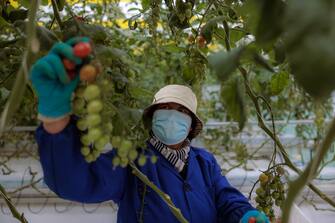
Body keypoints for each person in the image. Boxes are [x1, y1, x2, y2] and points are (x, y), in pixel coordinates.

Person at [30, 38, 269, 223]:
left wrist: (245, 214)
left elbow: (226, 198)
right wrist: (55, 119)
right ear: (152, 117)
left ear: (191, 125)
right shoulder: (132, 161)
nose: (172, 115)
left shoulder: (204, 162)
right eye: (164, 108)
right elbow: (77, 181)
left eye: (180, 111)